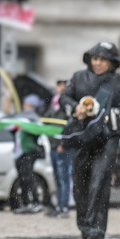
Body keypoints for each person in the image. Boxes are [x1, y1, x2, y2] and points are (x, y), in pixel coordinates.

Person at [58, 40, 120, 239]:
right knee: (80, 182)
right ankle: (84, 224)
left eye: (103, 60)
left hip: (108, 139)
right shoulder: (78, 78)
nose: (98, 63)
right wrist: (75, 106)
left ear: (112, 62)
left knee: (100, 180)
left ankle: (97, 228)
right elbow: (63, 99)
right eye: (95, 58)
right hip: (82, 138)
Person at [11, 94, 45, 214]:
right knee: (22, 179)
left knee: (28, 177)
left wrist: (27, 127)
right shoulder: (21, 117)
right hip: (19, 153)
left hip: (28, 152)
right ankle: (26, 203)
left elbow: (39, 131)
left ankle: (35, 202)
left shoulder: (33, 118)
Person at [47, 79, 72, 217]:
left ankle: (64, 207)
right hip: (52, 144)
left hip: (62, 146)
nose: (60, 88)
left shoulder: (67, 105)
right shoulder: (53, 104)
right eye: (58, 85)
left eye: (63, 85)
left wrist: (64, 143)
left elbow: (69, 125)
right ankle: (59, 206)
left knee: (63, 177)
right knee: (57, 177)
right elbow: (47, 120)